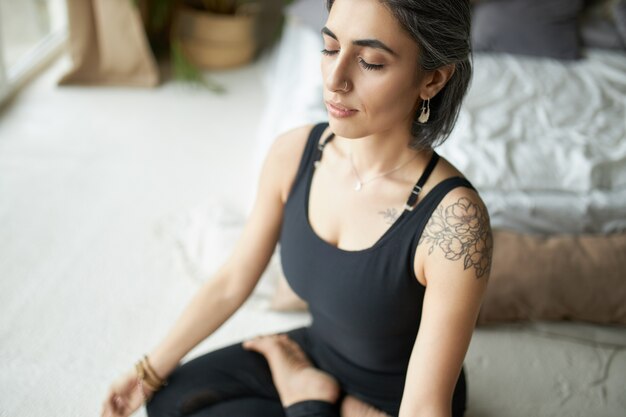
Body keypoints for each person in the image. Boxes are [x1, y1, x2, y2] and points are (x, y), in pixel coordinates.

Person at [100, 0, 492, 416]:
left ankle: (309, 398)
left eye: (371, 62)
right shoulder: (295, 153)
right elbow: (234, 280)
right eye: (329, 47)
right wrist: (147, 371)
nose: (335, 80)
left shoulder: (455, 223)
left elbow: (425, 406)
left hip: (397, 399)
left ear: (432, 79)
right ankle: (311, 392)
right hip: (318, 351)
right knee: (171, 402)